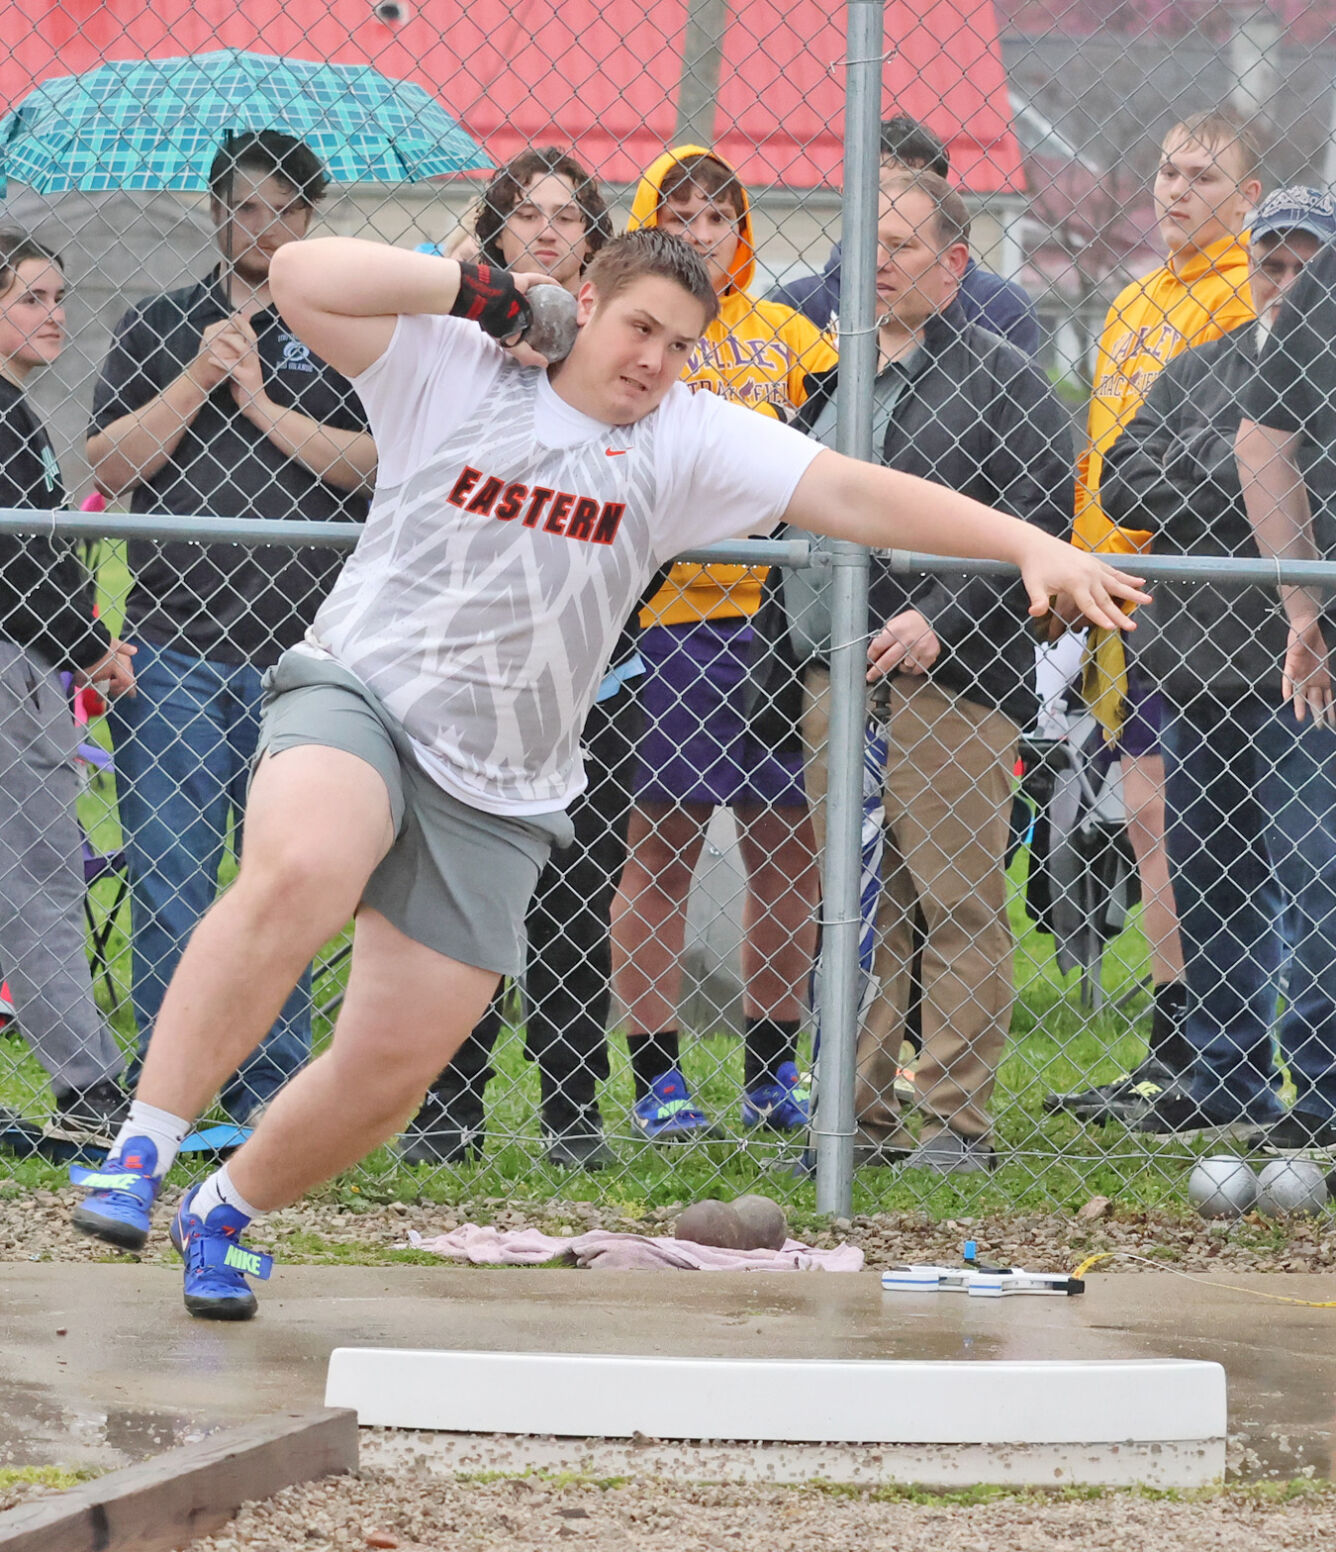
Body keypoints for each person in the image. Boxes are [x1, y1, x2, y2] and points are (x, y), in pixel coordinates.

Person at [69, 228, 1145, 1321]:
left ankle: (223, 1208)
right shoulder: (458, 364)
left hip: (502, 780)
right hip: (366, 696)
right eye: (637, 328)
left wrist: (1026, 545)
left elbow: (855, 494)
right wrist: (487, 292)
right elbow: (298, 276)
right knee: (304, 865)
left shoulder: (685, 438)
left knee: (388, 1068)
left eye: (679, 345)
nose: (652, 362)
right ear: (582, 302)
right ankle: (140, 1149)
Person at [754, 174, 1074, 1172]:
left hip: (949, 684)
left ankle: (954, 1122)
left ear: (953, 266)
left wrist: (942, 616)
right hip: (832, 679)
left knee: (956, 899)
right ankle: (850, 1119)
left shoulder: (1001, 377)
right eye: (865, 242)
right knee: (855, 904)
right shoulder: (833, 378)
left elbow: (1037, 516)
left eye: (899, 243)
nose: (876, 260)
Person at [87, 132, 375, 1126]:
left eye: (285, 210)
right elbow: (112, 464)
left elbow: (376, 465)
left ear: (310, 221)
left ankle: (267, 1094)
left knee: (284, 884)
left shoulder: (346, 329)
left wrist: (259, 401)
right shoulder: (158, 324)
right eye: (245, 207)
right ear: (215, 213)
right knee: (170, 879)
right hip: (170, 648)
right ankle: (172, 1096)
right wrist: (200, 379)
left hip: (305, 660)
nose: (263, 226)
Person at [396, 147, 634, 1171]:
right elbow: (399, 306)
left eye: (568, 216)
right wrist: (468, 268)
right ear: (494, 233)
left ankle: (571, 1116)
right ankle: (447, 1109)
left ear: (593, 239)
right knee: (455, 909)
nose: (546, 228)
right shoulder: (457, 337)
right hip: (464, 669)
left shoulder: (621, 346)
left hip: (588, 672)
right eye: (523, 214)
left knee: (577, 909)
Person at [1081, 188, 1336, 1141]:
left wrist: (1251, 482)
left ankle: (1319, 1088)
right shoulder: (1198, 370)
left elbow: (1304, 484)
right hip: (1194, 667)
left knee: (1313, 873)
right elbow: (1126, 477)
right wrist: (1249, 469)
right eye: (1269, 263)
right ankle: (1224, 1072)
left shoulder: (1330, 371)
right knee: (1210, 877)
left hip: (1298, 675)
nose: (1284, 283)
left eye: (1306, 265)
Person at [609, 146, 836, 1140]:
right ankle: (658, 1077)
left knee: (787, 852)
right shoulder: (638, 335)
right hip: (674, 623)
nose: (702, 234)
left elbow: (834, 454)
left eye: (718, 217)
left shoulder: (790, 335)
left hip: (779, 627)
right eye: (683, 215)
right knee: (661, 850)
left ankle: (769, 1073)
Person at [1053, 109, 1262, 1122]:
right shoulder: (1135, 300)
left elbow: (1222, 458)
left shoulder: (1248, 296)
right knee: (1144, 818)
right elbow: (1119, 457)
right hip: (1112, 587)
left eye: (1202, 177)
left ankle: (1202, 1040)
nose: (1175, 192)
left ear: (1248, 196)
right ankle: (1172, 1040)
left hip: (1194, 594)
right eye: (1166, 172)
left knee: (1181, 818)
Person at [1201, 215, 1336, 1149]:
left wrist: (1303, 608)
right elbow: (1259, 445)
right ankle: (1324, 1097)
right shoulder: (1323, 293)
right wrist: (1304, 609)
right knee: (1312, 871)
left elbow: (1257, 448)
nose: (1287, 277)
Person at [0, 233, 136, 1148]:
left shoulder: (17, 413)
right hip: (14, 670)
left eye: (59, 296)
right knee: (42, 875)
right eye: (31, 298)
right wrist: (91, 646)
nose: (54, 314)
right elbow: (16, 564)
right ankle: (92, 1096)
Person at [770, 115, 1040, 355]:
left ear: (944, 199)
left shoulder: (998, 304)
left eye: (917, 188)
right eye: (880, 188)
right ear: (847, 193)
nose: (894, 203)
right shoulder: (799, 304)